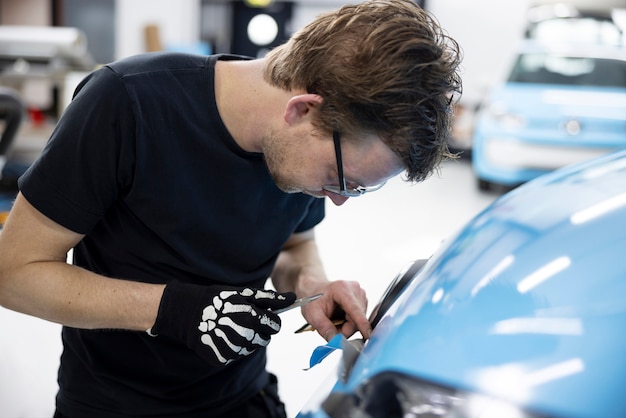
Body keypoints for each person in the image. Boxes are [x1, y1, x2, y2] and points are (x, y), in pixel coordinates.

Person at [0, 0, 462, 416]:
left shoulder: (299, 154)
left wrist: (313, 284)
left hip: (243, 395)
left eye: (358, 190)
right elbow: (14, 274)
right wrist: (175, 310)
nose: (338, 199)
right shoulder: (128, 103)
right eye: (344, 182)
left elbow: (294, 246)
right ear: (302, 110)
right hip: (117, 404)